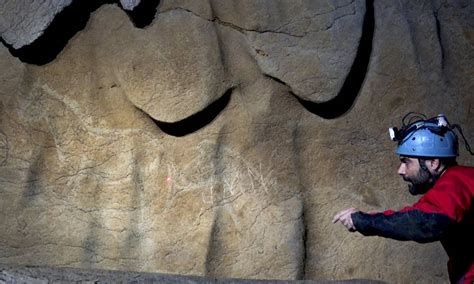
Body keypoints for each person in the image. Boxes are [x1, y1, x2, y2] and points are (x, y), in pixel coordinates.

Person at [332, 113, 474, 284]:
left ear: (434, 163)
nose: (400, 170)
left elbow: (425, 221)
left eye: (406, 162)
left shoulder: (456, 181)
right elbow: (420, 213)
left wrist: (364, 221)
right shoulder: (459, 181)